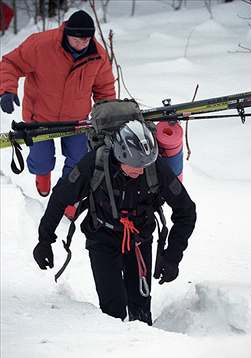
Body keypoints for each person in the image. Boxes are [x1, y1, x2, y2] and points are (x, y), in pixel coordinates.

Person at [33, 120, 196, 326]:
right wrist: (44, 240)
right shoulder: (95, 164)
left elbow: (186, 211)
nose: (141, 170)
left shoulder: (155, 168)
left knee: (141, 308)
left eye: (145, 165)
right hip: (102, 237)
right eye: (135, 165)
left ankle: (147, 352)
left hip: (139, 238)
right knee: (113, 311)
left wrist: (172, 257)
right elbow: (60, 197)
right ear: (120, 155)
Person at [0, 10, 116, 219]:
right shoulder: (41, 44)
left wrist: (107, 115)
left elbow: (105, 89)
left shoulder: (97, 55)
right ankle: (42, 174)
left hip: (77, 120)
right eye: (77, 39)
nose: (83, 44)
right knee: (41, 160)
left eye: (87, 39)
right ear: (66, 33)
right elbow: (11, 63)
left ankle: (68, 196)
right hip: (40, 117)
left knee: (78, 160)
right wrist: (7, 89)